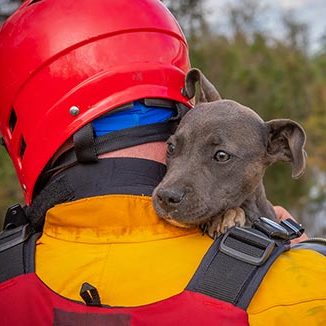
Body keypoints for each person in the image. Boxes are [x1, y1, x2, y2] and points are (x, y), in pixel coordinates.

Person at [0, 0, 325, 325]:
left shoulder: (10, 272)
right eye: (174, 148)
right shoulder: (306, 285)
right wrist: (299, 256)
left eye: (220, 157)